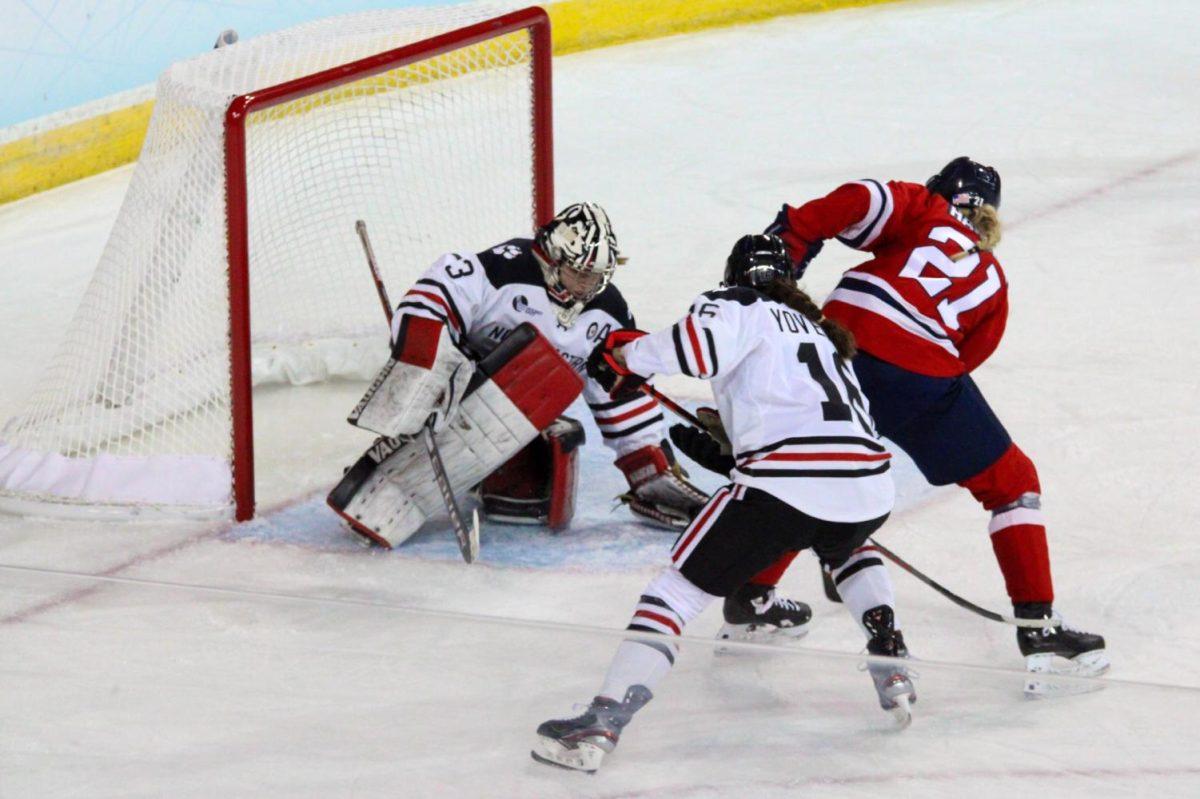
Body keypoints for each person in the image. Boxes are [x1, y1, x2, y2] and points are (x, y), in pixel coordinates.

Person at [531, 234, 915, 774]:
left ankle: (602, 721)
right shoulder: (827, 337)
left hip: (785, 485)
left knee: (676, 591)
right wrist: (735, 449)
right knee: (850, 546)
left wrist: (624, 356)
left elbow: (693, 347)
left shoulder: (738, 303)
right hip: (871, 485)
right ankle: (892, 663)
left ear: (736, 275)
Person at [755, 157, 1107, 678]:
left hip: (835, 350)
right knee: (1011, 482)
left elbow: (861, 199)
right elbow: (965, 360)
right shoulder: (994, 280)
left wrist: (787, 242)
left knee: (813, 475)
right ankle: (1039, 628)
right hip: (921, 377)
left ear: (942, 191)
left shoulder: (924, 206)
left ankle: (753, 600)